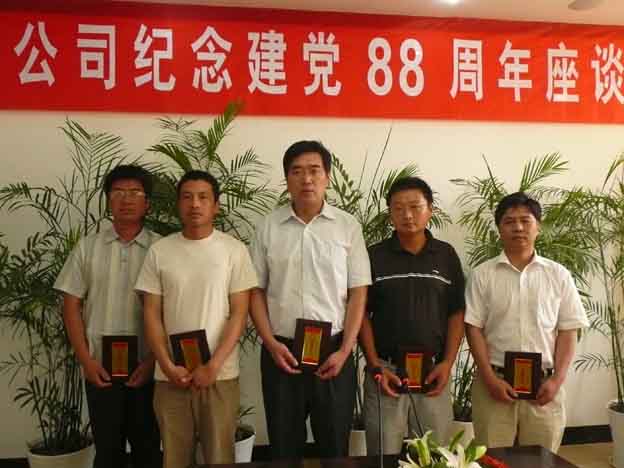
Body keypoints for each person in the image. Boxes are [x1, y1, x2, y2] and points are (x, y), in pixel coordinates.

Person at [249, 140, 371, 459]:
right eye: (297, 171)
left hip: (333, 352)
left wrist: (345, 350)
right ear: (287, 178)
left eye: (314, 170)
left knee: (334, 448)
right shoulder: (268, 227)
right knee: (283, 448)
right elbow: (255, 291)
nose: (307, 179)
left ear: (327, 176)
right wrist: (270, 343)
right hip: (281, 353)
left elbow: (358, 291)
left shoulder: (347, 226)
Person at [135, 170, 257, 468]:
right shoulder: (159, 251)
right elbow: (151, 313)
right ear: (178, 204)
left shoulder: (234, 251)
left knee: (220, 456)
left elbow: (239, 313)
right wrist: (166, 365)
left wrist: (213, 366)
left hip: (219, 375)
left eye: (203, 197)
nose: (195, 204)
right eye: (187, 197)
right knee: (174, 458)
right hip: (171, 377)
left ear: (216, 206)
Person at [54, 165, 162, 468]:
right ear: (108, 200)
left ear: (147, 203)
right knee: (107, 451)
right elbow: (71, 305)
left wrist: (154, 361)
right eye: (118, 192)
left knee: (149, 450)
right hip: (99, 368)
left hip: (148, 367)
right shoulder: (87, 247)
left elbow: (173, 311)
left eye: (134, 192)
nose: (126, 199)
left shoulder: (162, 249)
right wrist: (85, 361)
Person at [465, 192, 588, 452]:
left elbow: (568, 330)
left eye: (525, 220)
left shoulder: (558, 275)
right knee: (493, 459)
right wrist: (489, 378)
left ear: (538, 227)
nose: (518, 227)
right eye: (509, 221)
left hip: (544, 386)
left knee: (541, 460)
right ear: (499, 229)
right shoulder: (482, 274)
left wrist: (557, 380)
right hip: (494, 384)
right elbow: (473, 328)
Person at [359, 177, 466, 454]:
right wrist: (374, 364)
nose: (407, 215)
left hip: (433, 373)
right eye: (398, 208)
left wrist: (448, 363)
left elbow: (456, 312)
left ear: (430, 210)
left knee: (434, 454)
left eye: (415, 206)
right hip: (386, 373)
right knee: (383, 454)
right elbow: (361, 314)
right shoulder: (374, 256)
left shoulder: (446, 255)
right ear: (390, 214)